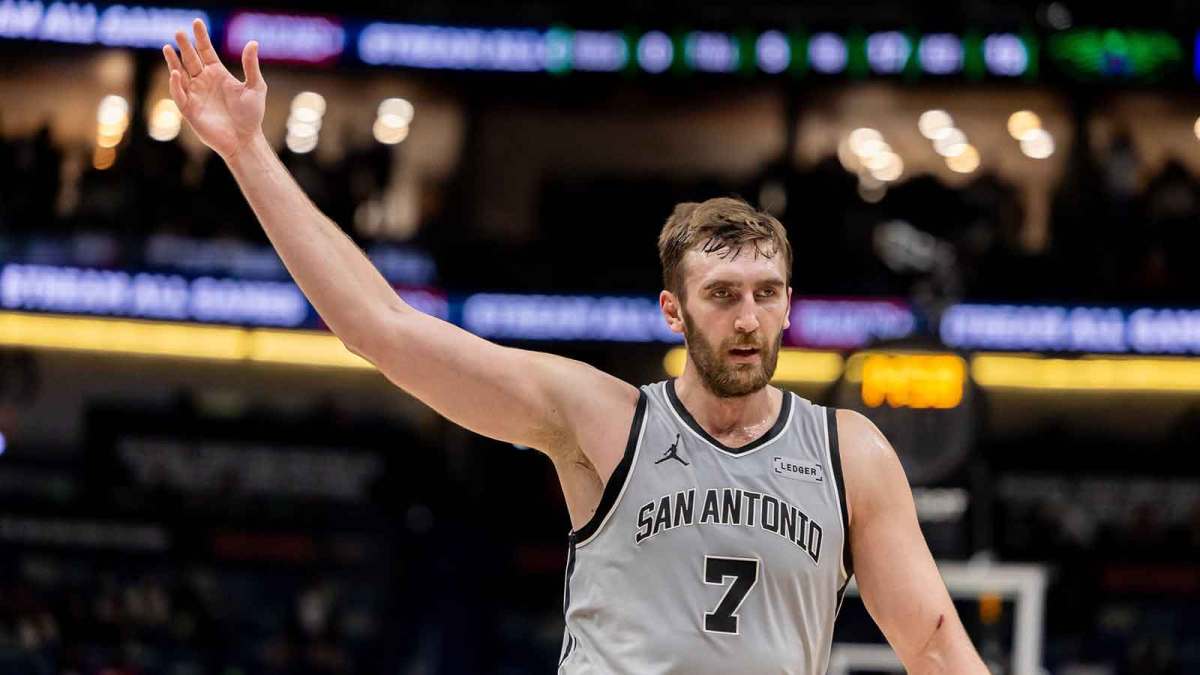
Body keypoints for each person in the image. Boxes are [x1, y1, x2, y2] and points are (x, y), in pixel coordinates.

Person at [163, 20, 986, 674]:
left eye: (766, 294)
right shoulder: (605, 421)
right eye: (723, 295)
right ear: (674, 311)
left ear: (789, 307)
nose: (747, 317)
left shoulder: (850, 455)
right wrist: (247, 151)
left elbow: (935, 643)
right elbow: (382, 328)